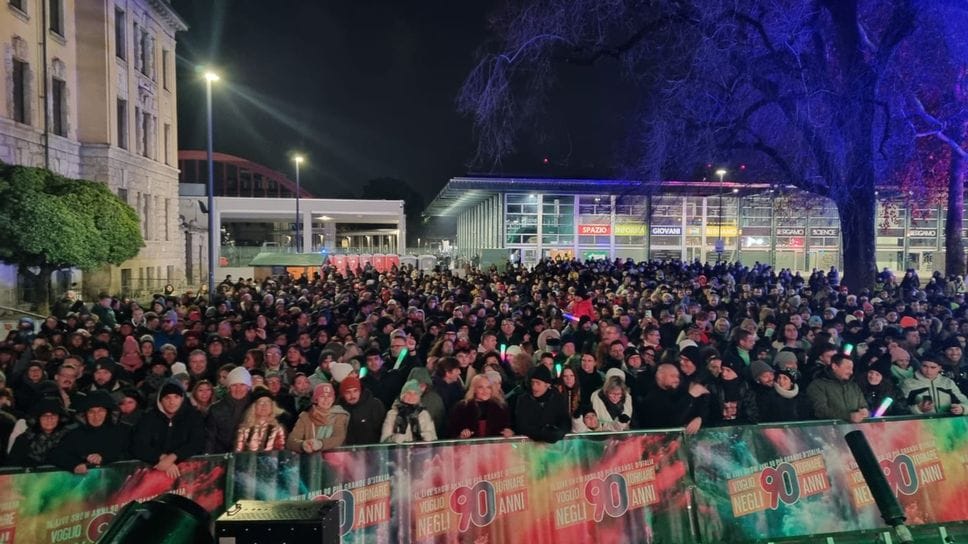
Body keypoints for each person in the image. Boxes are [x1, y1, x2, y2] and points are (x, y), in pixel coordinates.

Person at [130, 380, 206, 478]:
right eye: (167, 397)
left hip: (187, 473)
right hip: (153, 472)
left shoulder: (193, 417)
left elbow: (196, 442)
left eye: (176, 397)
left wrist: (173, 457)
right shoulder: (148, 418)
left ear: (182, 399)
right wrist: (162, 458)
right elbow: (139, 445)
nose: (172, 402)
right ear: (161, 400)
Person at [49, 390, 130, 474]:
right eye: (91, 411)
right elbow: (56, 455)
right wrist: (74, 465)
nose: (96, 416)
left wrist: (104, 458)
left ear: (108, 412)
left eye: (101, 411)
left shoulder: (124, 431)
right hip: (84, 480)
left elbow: (129, 454)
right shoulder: (75, 434)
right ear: (84, 414)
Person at [639, 364, 710, 434]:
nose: (677, 380)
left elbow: (697, 408)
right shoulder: (652, 399)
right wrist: (691, 395)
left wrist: (699, 418)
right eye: (672, 376)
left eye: (678, 376)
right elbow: (671, 423)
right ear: (660, 376)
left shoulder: (674, 392)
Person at [287, 382, 349, 453]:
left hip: (335, 456)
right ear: (316, 399)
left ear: (333, 399)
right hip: (311, 458)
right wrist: (303, 445)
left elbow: (339, 437)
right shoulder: (305, 417)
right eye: (322, 396)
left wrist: (320, 444)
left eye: (329, 396)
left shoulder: (340, 415)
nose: (326, 400)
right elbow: (291, 442)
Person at [513, 366, 570, 443]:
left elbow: (565, 421)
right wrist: (542, 433)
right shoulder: (524, 400)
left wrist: (559, 432)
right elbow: (521, 426)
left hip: (555, 447)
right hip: (529, 445)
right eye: (532, 382)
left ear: (547, 385)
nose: (534, 387)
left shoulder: (557, 398)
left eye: (538, 383)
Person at [7, 398, 71, 467]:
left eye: (54, 415)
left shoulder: (69, 438)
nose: (49, 419)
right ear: (37, 419)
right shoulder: (23, 439)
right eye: (44, 416)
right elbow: (12, 467)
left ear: (59, 418)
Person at [447, 374, 513, 439]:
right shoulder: (461, 407)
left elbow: (508, 428)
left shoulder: (501, 407)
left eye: (488, 387)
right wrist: (461, 436)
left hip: (495, 445)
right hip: (469, 445)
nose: (485, 391)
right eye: (480, 387)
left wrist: (509, 433)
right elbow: (452, 432)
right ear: (474, 389)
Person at [806, 354, 869, 422]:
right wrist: (848, 416)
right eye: (848, 368)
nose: (851, 372)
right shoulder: (817, 385)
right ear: (834, 366)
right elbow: (820, 410)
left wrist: (865, 411)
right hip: (827, 428)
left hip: (853, 428)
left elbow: (863, 405)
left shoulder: (853, 386)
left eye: (852, 369)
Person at [205, 366, 253, 453]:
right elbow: (210, 438)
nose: (238, 389)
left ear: (248, 387)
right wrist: (208, 458)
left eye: (242, 385)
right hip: (222, 455)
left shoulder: (255, 406)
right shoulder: (216, 409)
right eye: (234, 385)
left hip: (249, 454)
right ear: (229, 387)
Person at [900, 357, 968, 415]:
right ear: (920, 366)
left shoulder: (948, 382)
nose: (928, 370)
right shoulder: (908, 383)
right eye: (924, 366)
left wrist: (962, 408)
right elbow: (900, 408)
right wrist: (918, 409)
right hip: (920, 423)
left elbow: (964, 401)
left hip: (948, 422)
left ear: (940, 368)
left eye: (933, 367)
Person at [235, 387, 287, 452]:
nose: (264, 406)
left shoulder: (278, 429)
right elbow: (238, 452)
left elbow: (280, 452)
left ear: (272, 407)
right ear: (254, 407)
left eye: (268, 402)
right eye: (260, 402)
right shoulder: (244, 428)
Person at [339, 375, 386, 446]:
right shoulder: (339, 409)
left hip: (372, 450)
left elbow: (382, 432)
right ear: (343, 394)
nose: (352, 395)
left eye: (355, 391)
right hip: (346, 450)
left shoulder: (375, 405)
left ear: (360, 391)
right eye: (348, 392)